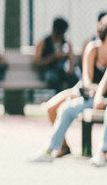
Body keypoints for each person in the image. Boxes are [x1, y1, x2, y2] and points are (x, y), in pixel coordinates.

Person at [30, 15, 107, 162]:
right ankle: (53, 149)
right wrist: (95, 93)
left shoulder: (67, 43)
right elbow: (86, 81)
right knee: (59, 108)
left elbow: (71, 69)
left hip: (98, 96)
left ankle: (102, 152)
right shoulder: (93, 48)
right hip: (87, 94)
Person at [32, 17, 78, 92]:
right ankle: (61, 97)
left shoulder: (66, 43)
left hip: (62, 71)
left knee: (74, 78)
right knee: (52, 78)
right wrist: (53, 57)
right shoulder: (43, 42)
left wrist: (70, 67)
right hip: (48, 70)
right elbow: (36, 62)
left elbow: (71, 60)